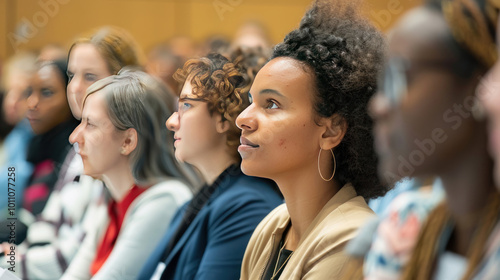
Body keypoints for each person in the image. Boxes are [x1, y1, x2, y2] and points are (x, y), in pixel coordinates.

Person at [237, 0, 387, 279]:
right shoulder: (272, 226)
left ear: (330, 131)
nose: (242, 118)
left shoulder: (350, 239)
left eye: (271, 104)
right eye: (250, 101)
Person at [0, 27, 153, 280]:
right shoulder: (78, 146)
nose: (75, 88)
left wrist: (12, 261)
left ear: (123, 81)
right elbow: (48, 227)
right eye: (72, 76)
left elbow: (77, 252)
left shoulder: (122, 158)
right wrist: (12, 257)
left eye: (90, 76)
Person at [365, 0, 500, 278]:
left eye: (398, 77)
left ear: (480, 87)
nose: (378, 106)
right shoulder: (403, 224)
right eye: (381, 81)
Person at [138, 53, 283, 280]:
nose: (171, 121)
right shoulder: (193, 204)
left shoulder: (246, 206)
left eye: (186, 105)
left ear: (226, 117)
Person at [61, 69, 193, 279]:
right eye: (80, 123)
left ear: (128, 142)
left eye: (90, 124)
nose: (74, 137)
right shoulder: (111, 201)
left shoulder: (165, 201)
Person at [0, 59, 78, 246]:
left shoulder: (74, 155)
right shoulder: (35, 143)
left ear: (70, 97)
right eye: (29, 93)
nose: (32, 103)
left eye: (46, 93)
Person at [0, 52, 36, 220]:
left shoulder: (32, 132)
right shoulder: (17, 132)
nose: (11, 102)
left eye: (22, 94)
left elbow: (18, 177)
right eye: (9, 91)